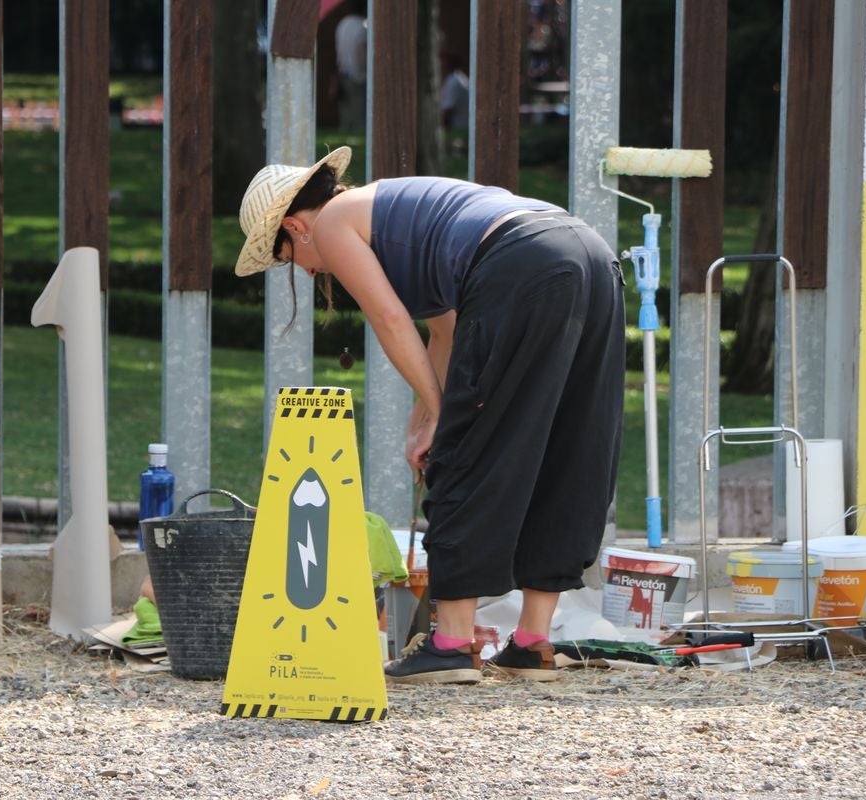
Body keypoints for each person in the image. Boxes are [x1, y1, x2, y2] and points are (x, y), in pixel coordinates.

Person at [234, 147, 626, 684]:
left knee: (465, 452)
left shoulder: (332, 226)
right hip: (587, 253)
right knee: (569, 445)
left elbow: (392, 323)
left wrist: (446, 423)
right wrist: (423, 422)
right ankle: (533, 642)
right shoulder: (399, 215)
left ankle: (451, 644)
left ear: (296, 227)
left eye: (284, 257)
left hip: (521, 264)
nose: (301, 267)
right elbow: (444, 332)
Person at [334, 2, 368, 132]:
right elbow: (362, 50)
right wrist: (363, 71)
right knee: (359, 109)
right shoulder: (363, 26)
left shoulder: (343, 23)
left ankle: (345, 133)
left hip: (343, 70)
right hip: (358, 72)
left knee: (346, 110)